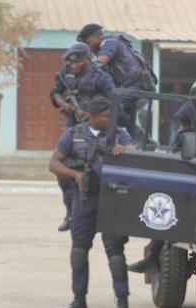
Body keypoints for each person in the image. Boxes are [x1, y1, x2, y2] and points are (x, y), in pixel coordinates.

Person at [49, 97, 135, 308]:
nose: (110, 119)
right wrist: (74, 174)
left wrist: (122, 151)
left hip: (111, 200)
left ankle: (122, 302)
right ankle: (79, 301)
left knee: (115, 252)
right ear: (94, 116)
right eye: (106, 116)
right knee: (79, 251)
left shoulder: (119, 132)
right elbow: (54, 163)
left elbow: (132, 152)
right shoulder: (75, 134)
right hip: (84, 198)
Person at [51, 43, 115, 232]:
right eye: (71, 62)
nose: (74, 65)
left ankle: (100, 215)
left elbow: (114, 99)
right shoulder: (66, 72)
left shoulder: (101, 77)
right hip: (74, 127)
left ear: (89, 58)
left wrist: (92, 114)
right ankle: (70, 213)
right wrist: (66, 106)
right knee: (62, 171)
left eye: (78, 61)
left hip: (98, 128)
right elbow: (56, 92)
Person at [128, 104, 196, 273]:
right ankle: (153, 255)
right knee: (163, 205)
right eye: (183, 123)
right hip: (182, 181)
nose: (185, 127)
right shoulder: (182, 132)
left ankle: (194, 262)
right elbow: (172, 152)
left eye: (188, 123)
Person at [77, 24, 156, 133]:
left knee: (109, 106)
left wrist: (79, 73)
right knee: (105, 108)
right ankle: (129, 138)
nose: (87, 48)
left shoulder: (109, 43)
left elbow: (98, 65)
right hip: (127, 89)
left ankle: (139, 133)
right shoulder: (102, 49)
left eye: (88, 43)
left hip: (140, 87)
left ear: (98, 38)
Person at [161, 80, 185, 145]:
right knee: (172, 136)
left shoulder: (182, 96)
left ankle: (178, 151)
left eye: (179, 85)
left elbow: (185, 108)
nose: (178, 86)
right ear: (174, 86)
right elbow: (164, 108)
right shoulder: (170, 95)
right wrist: (167, 118)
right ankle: (170, 151)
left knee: (181, 136)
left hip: (180, 120)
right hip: (172, 119)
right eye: (176, 85)